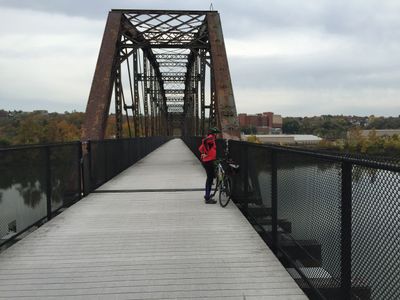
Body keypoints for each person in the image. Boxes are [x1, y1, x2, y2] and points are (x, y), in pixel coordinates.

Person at [198, 127, 220, 204]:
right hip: (208, 161)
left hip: (208, 160)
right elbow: (205, 141)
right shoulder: (211, 138)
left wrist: (204, 153)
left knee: (210, 178)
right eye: (217, 133)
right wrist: (207, 153)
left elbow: (200, 149)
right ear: (214, 133)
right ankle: (207, 198)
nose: (218, 135)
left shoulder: (211, 138)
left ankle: (207, 195)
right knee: (210, 179)